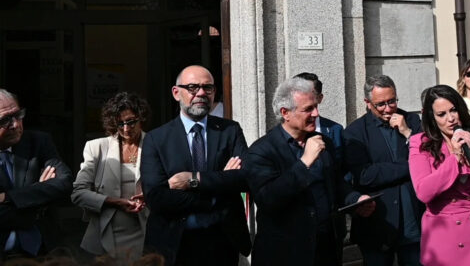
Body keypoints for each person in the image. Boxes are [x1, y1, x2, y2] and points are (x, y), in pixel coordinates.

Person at [247, 77, 375, 266]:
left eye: (315, 106)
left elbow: (336, 183)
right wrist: (304, 162)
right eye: (308, 109)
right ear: (285, 113)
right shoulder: (262, 150)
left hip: (325, 249)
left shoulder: (323, 141)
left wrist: (355, 199)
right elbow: (268, 199)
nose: (316, 113)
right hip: (285, 253)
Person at [140, 65, 251, 265]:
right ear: (176, 93)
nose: (201, 93)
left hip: (222, 241)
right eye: (192, 87)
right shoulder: (156, 139)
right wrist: (217, 192)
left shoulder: (229, 131)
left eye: (207, 88)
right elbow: (157, 198)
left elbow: (246, 178)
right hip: (175, 244)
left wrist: (194, 180)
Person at [409, 85, 470, 266]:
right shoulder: (420, 143)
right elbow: (423, 192)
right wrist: (455, 157)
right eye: (442, 114)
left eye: (454, 110)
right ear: (432, 117)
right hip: (444, 237)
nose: (451, 118)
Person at [344, 74, 424, 265]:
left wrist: (408, 134)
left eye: (392, 101)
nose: (388, 109)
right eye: (381, 104)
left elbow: (428, 160)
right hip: (378, 223)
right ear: (368, 102)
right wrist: (409, 166)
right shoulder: (355, 132)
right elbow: (365, 176)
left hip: (413, 221)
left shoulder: (412, 121)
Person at [71, 92, 151, 261]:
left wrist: (151, 196)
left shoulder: (155, 143)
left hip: (147, 231)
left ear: (141, 117)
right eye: (120, 123)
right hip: (106, 234)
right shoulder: (97, 148)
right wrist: (113, 201)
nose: (126, 128)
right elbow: (78, 194)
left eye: (131, 121)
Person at [0, 88, 73, 260]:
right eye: (5, 120)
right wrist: (39, 202)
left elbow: (64, 182)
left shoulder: (38, 142)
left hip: (43, 253)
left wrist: (7, 198)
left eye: (18, 115)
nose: (16, 124)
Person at [295, 72, 345, 162]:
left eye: (309, 93)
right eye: (300, 93)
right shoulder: (280, 135)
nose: (304, 98)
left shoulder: (336, 130)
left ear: (320, 98)